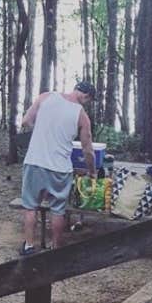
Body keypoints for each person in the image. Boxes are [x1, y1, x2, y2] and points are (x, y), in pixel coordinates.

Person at [19, 82, 96, 255]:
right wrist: (92, 171)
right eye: (88, 101)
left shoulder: (45, 97)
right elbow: (88, 150)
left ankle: (29, 246)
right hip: (60, 169)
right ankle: (55, 249)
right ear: (86, 96)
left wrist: (42, 130)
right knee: (58, 210)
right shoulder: (82, 115)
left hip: (35, 162)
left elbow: (25, 122)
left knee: (31, 207)